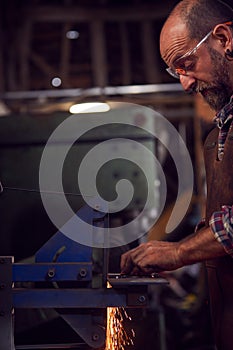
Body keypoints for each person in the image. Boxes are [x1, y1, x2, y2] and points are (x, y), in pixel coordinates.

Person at [120, 0, 233, 349]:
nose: (185, 84)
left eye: (186, 65)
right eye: (176, 72)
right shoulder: (220, 131)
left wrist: (180, 253)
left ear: (225, 39)